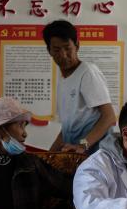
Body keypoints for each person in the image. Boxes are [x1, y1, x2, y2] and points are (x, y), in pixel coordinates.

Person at [43, 20, 116, 154]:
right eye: (57, 50)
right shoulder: (63, 80)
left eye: (67, 48)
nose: (63, 55)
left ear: (77, 46)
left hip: (97, 156)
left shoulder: (87, 72)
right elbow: (67, 130)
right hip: (76, 156)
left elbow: (109, 117)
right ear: (49, 51)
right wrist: (48, 155)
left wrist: (82, 145)